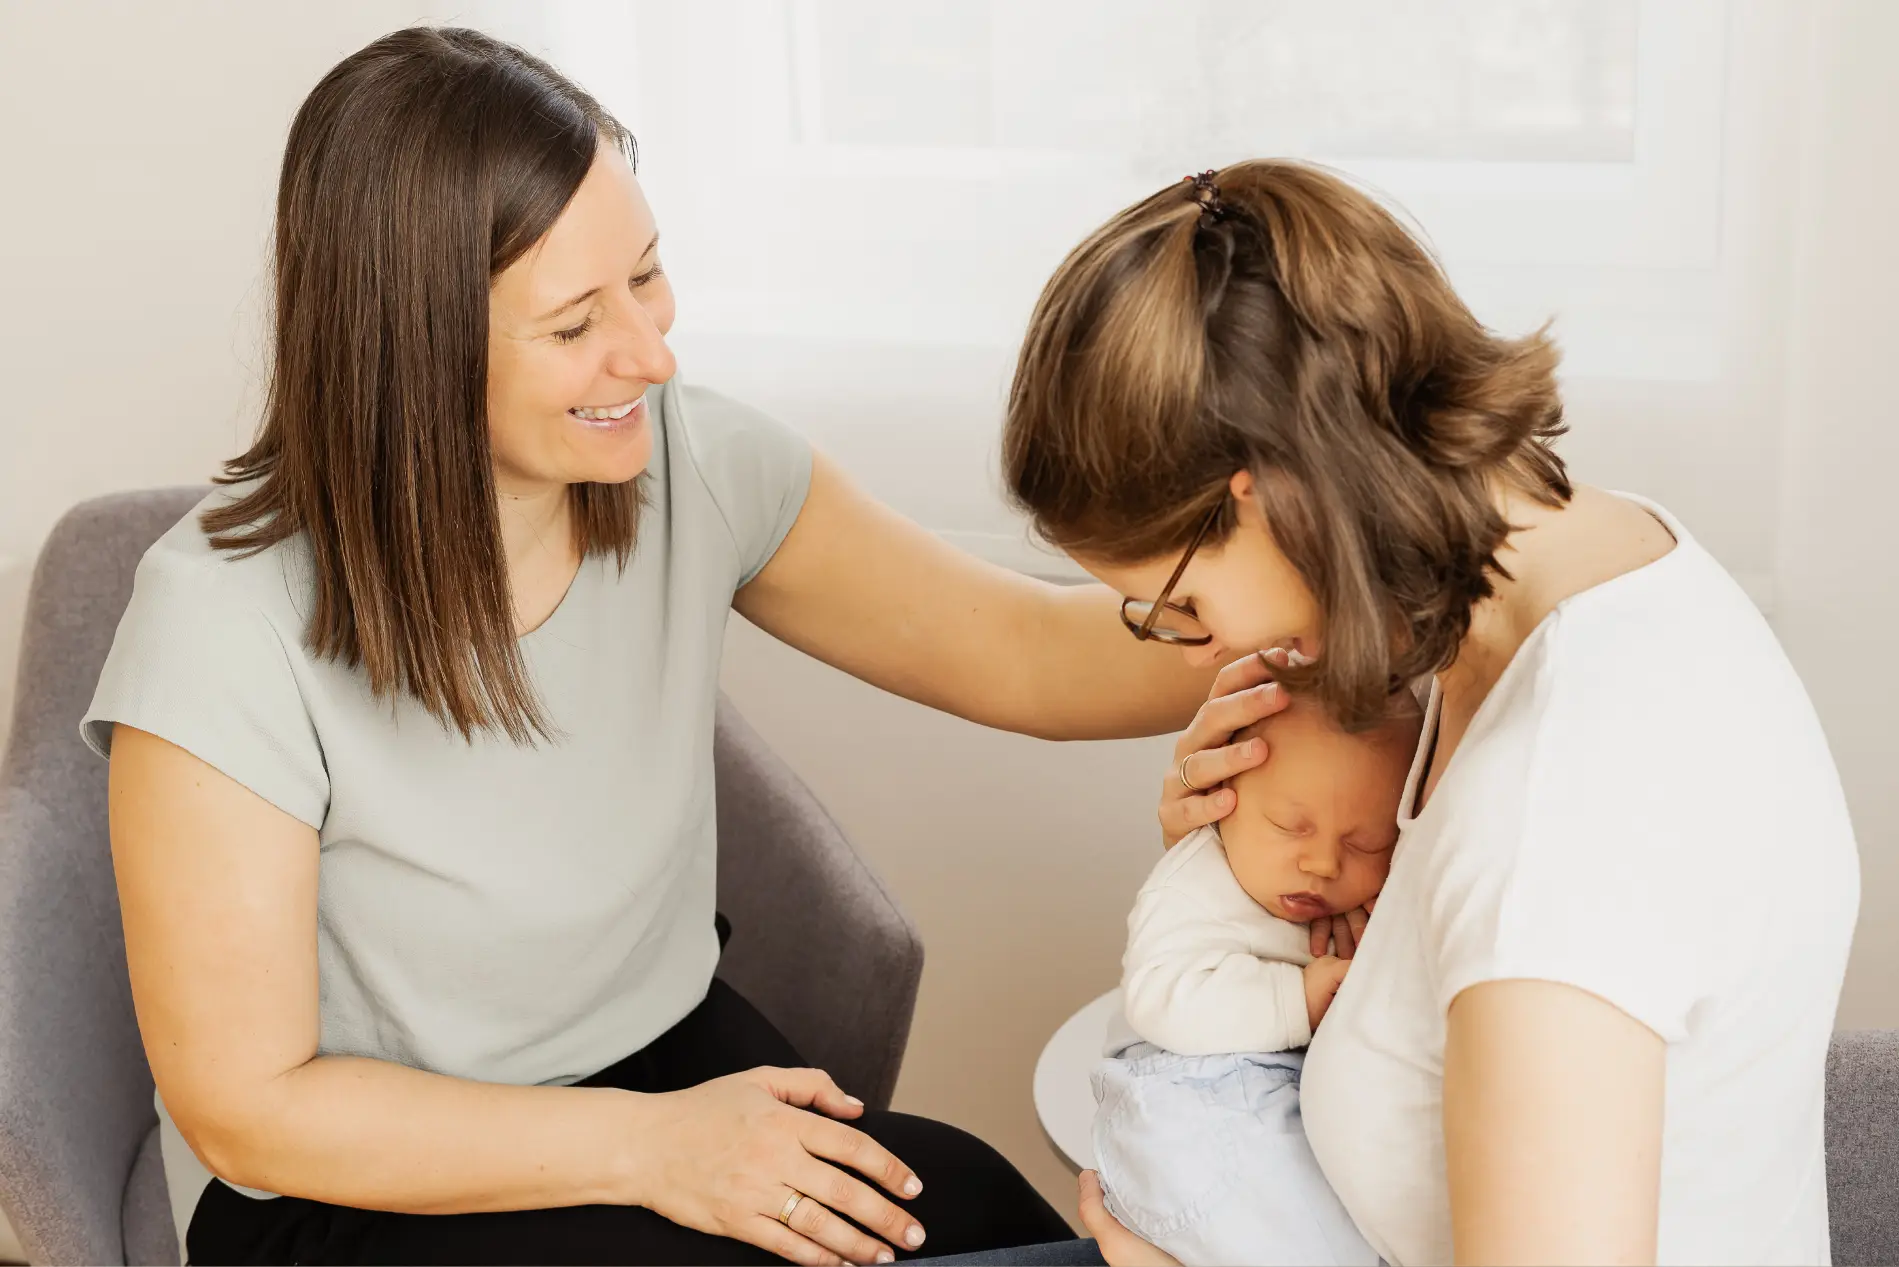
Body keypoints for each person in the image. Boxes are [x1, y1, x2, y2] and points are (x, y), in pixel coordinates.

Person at [84, 28, 1233, 1267]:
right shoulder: (222, 624)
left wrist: (1325, 609)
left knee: (986, 1209)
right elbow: (251, 1112)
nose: (650, 352)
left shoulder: (687, 463)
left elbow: (1024, 650)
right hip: (352, 1184)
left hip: (655, 1061)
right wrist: (652, 1148)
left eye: (647, 275)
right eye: (575, 323)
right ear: (412, 351)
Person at [993, 161, 1859, 1265]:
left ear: (1268, 490)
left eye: (1182, 603)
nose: (1205, 645)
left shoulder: (1559, 821)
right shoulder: (1576, 568)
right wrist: (1242, 866)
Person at [1093, 696, 1419, 1265]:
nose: (1321, 863)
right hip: (1191, 1089)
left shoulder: (1341, 897)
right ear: (1222, 804)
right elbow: (1162, 998)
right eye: (1289, 826)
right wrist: (1295, 999)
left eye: (1364, 843)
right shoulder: (1192, 883)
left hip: (1269, 1084)